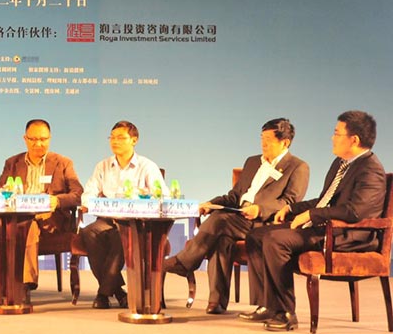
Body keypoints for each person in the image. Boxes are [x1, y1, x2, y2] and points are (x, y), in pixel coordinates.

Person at [240, 110, 386, 331]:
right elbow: (325, 200)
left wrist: (310, 215)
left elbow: (354, 212)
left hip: (348, 235)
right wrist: (292, 208)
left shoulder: (370, 169)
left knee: (276, 240)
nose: (332, 137)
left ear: (354, 140)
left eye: (337, 133)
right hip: (327, 228)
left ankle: (285, 313)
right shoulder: (341, 164)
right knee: (256, 235)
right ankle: (268, 305)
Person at [163, 118, 309, 314]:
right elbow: (234, 196)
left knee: (220, 220)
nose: (263, 144)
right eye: (262, 138)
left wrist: (260, 209)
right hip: (238, 216)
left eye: (268, 140)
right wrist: (211, 204)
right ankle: (217, 302)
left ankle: (184, 262)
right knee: (221, 238)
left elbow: (290, 202)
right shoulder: (252, 162)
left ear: (285, 142)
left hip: (263, 222)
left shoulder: (297, 167)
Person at [0, 119, 83, 296]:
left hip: (52, 219)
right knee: (25, 224)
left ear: (50, 138)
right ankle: (24, 283)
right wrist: (2, 193)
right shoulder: (13, 163)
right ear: (25, 139)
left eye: (43, 139)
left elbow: (78, 194)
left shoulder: (63, 163)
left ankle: (17, 281)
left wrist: (57, 201)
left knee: (25, 224)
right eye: (33, 139)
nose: (38, 144)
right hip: (22, 218)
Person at [81, 120, 168, 309]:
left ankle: (103, 293)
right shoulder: (103, 166)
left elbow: (162, 196)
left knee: (121, 237)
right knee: (88, 232)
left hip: (136, 223)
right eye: (112, 137)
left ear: (134, 140)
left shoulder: (147, 166)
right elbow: (88, 193)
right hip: (107, 219)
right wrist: (92, 204)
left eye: (120, 138)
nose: (115, 141)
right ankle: (119, 292)